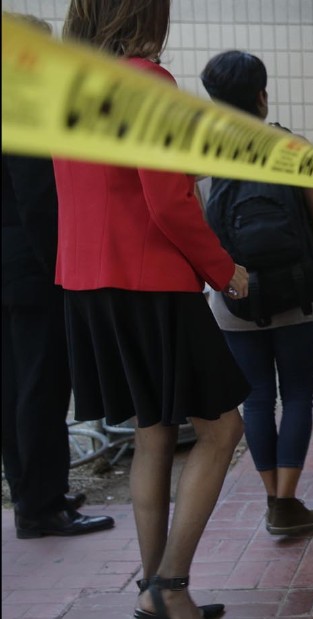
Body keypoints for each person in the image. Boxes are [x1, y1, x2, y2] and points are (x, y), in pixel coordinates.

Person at [56, 2, 250, 617]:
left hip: (88, 282)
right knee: (222, 428)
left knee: (153, 432)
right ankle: (169, 586)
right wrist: (226, 269)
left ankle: (157, 593)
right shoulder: (147, 80)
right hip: (148, 280)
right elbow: (168, 201)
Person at [200, 50, 313, 536]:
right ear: (262, 95)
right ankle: (286, 503)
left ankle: (269, 499)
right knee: (297, 396)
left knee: (256, 400)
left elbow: (200, 231)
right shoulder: (291, 146)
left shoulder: (201, 156)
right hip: (297, 296)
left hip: (235, 299)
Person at [1, 11, 115, 542]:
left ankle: (31, 494)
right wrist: (61, 269)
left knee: (13, 389)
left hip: (9, 270)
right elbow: (39, 201)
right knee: (41, 387)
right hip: (30, 271)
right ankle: (42, 506)